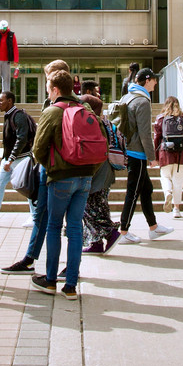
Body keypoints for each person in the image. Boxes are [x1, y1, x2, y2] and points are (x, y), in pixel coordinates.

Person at [29, 69, 100, 300]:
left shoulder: (52, 112)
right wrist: (88, 170)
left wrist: (52, 168)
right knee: (75, 229)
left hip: (60, 178)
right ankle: (70, 285)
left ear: (56, 89)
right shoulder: (87, 109)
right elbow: (102, 144)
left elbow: (38, 150)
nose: (48, 94)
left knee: (53, 226)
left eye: (49, 89)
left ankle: (50, 281)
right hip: (85, 177)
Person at [0, 59, 71, 275]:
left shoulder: (53, 105)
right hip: (73, 169)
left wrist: (37, 160)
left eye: (48, 77)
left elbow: (41, 142)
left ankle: (42, 266)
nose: (46, 83)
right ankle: (64, 265)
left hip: (51, 168)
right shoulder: (81, 104)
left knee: (47, 218)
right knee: (67, 222)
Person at [115, 68, 173, 245]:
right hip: (137, 153)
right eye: (154, 80)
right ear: (147, 80)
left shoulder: (128, 97)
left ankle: (153, 227)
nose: (156, 83)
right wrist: (151, 156)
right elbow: (145, 133)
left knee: (146, 189)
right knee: (133, 192)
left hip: (129, 149)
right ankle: (123, 231)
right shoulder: (143, 101)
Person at [0, 90, 36, 226]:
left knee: (28, 187)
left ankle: (35, 217)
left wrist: (10, 159)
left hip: (20, 159)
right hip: (10, 159)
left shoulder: (18, 115)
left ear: (9, 101)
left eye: (1, 101)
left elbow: (22, 138)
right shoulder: (8, 115)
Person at [79, 92, 120, 254]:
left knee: (87, 208)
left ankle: (111, 233)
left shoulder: (94, 124)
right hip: (104, 172)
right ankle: (96, 243)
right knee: (98, 207)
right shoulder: (103, 123)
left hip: (97, 172)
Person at [154, 96, 183, 218]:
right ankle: (176, 209)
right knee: (178, 181)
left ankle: (167, 192)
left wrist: (156, 156)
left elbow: (156, 138)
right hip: (182, 154)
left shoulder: (160, 118)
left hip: (165, 153)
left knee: (165, 177)